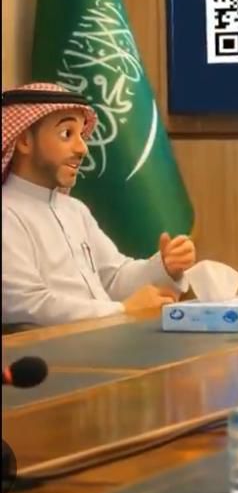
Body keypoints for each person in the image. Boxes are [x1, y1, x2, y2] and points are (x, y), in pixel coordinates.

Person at [2, 82, 197, 327]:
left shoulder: (75, 210)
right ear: (24, 141)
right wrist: (122, 310)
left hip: (100, 338)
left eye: (81, 135)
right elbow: (25, 305)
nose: (82, 148)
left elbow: (113, 278)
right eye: (66, 134)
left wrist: (164, 266)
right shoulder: (6, 213)